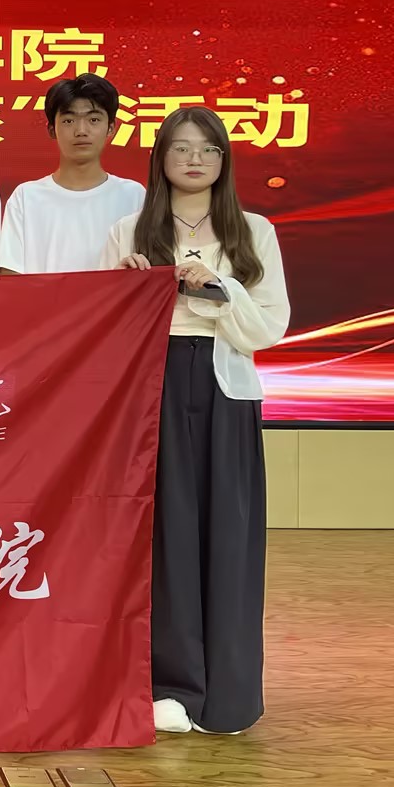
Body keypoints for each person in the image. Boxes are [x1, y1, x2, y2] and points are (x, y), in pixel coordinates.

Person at [102, 106, 290, 737]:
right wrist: (127, 292)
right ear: (160, 157)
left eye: (208, 149)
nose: (194, 159)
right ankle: (170, 688)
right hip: (153, 389)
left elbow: (269, 325)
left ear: (223, 160)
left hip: (225, 389)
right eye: (180, 147)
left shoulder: (253, 231)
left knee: (229, 538)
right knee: (167, 538)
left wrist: (217, 289)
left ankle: (229, 695)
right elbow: (108, 331)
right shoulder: (129, 229)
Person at [0, 73, 143, 274]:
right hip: (42, 297)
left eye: (93, 119)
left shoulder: (134, 195)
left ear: (111, 128)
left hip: (116, 297)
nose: (81, 130)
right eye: (68, 121)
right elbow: (10, 274)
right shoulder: (26, 197)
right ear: (51, 129)